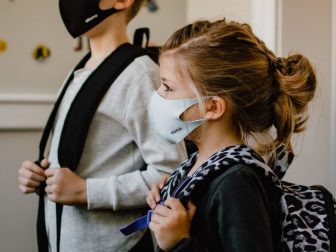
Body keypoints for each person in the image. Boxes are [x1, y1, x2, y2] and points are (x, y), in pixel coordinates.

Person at [17, 0, 186, 251]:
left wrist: (86, 191)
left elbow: (170, 171)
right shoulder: (79, 71)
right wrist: (39, 175)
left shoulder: (140, 74)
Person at [145, 19, 317, 251]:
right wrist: (172, 193)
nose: (158, 96)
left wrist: (180, 243)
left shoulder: (237, 184)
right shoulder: (200, 163)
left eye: (168, 87)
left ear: (212, 107)